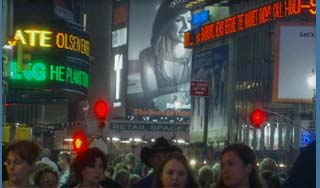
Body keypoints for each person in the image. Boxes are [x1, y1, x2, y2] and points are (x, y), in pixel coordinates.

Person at [139, 0, 192, 108]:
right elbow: (151, 98)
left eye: (189, 20)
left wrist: (164, 93)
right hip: (157, 119)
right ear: (165, 24)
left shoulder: (198, 53)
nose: (186, 27)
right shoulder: (147, 56)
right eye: (178, 20)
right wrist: (182, 89)